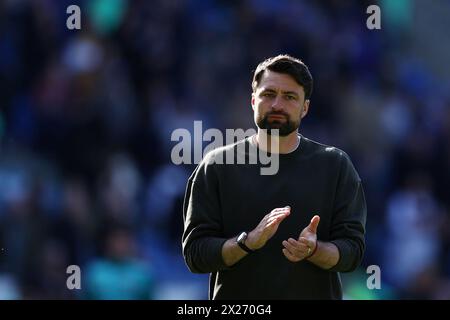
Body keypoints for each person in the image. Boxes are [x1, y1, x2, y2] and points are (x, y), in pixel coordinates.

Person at [182, 54, 367, 299]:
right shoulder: (217, 165)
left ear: (305, 108)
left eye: (289, 97)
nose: (277, 105)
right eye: (268, 94)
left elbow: (352, 252)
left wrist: (313, 250)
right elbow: (196, 255)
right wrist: (246, 242)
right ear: (252, 101)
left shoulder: (335, 166)